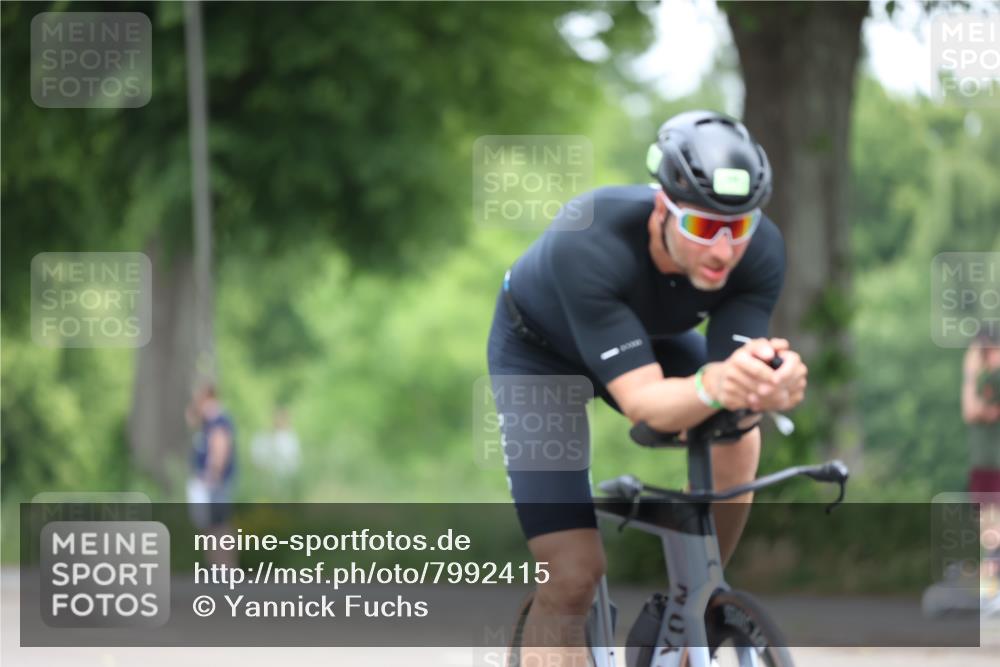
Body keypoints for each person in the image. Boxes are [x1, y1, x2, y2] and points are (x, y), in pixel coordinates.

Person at [486, 110, 808, 666]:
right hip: (539, 354)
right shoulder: (586, 239)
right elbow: (647, 406)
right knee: (572, 575)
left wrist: (767, 387)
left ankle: (699, 607)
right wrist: (720, 383)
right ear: (663, 208)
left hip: (645, 338)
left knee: (740, 434)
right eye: (704, 228)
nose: (724, 251)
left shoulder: (760, 252)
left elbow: (734, 379)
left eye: (739, 228)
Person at [961, 329, 1000, 599]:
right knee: (989, 535)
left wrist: (971, 372)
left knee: (994, 533)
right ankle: (990, 594)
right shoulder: (985, 380)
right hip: (984, 467)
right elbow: (970, 411)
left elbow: (974, 410)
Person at [186, 381, 238, 567]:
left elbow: (220, 447)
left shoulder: (218, 420)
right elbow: (191, 419)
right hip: (209, 482)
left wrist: (213, 473)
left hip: (215, 482)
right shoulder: (207, 422)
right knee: (210, 526)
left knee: (219, 525)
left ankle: (225, 567)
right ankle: (216, 567)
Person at [250, 407, 303, 500]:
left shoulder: (291, 438)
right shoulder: (265, 437)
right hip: (268, 481)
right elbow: (258, 457)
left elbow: (294, 460)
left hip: (286, 479)